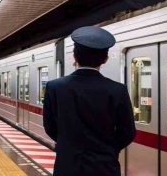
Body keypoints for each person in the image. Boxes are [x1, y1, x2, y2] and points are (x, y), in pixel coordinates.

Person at [43, 26, 136, 176]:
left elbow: (50, 127)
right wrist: (107, 148)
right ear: (105, 59)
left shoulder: (54, 87)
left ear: (74, 56)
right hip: (104, 167)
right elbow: (128, 132)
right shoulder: (118, 90)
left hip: (67, 166)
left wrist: (69, 145)